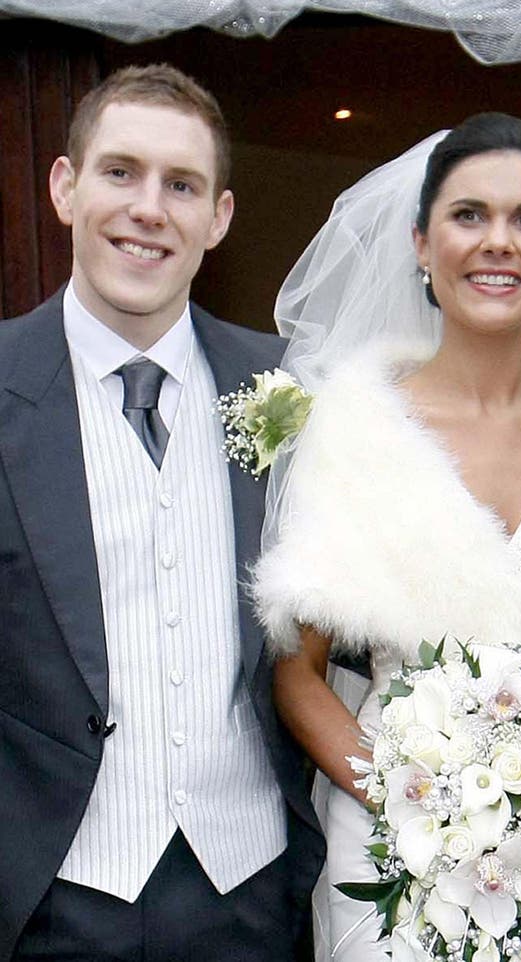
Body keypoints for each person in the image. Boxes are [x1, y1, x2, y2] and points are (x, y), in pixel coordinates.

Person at [252, 113, 521, 961]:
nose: (498, 242)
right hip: (387, 858)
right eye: (469, 215)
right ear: (422, 245)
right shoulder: (357, 427)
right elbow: (297, 670)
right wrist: (423, 801)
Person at [0, 63, 323, 962]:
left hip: (251, 890)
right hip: (49, 894)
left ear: (218, 217)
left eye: (181, 185)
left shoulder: (288, 388)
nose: (149, 208)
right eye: (120, 172)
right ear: (65, 188)